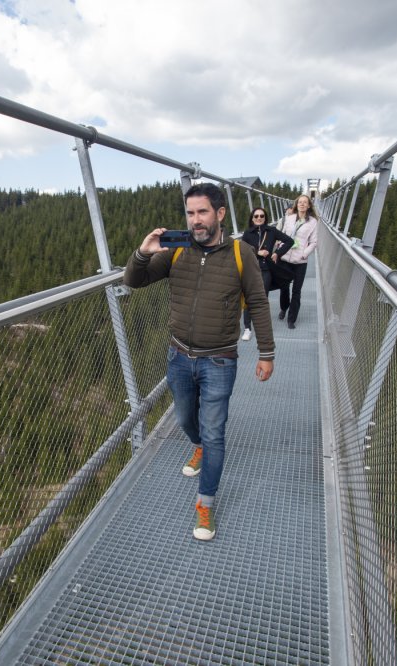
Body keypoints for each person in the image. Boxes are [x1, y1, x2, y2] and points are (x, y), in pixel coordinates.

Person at [124, 183, 275, 541]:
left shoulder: (241, 253)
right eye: (190, 213)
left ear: (220, 214)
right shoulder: (177, 251)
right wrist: (143, 253)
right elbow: (134, 280)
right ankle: (199, 447)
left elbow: (257, 302)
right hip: (178, 355)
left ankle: (205, 503)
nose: (195, 221)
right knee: (183, 418)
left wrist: (267, 353)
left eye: (202, 212)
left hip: (219, 361)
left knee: (214, 431)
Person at [239, 207, 293, 341]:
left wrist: (277, 253)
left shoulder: (271, 231)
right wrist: (257, 252)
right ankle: (247, 328)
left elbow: (289, 241)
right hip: (250, 270)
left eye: (261, 216)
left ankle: (262, 327)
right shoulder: (247, 233)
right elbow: (242, 251)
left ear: (265, 218)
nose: (259, 218)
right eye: (256, 216)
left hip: (266, 269)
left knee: (262, 299)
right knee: (248, 299)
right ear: (252, 218)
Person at [276, 194, 319, 329]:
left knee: (296, 291)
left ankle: (291, 319)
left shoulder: (313, 222)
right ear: (296, 204)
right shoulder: (289, 219)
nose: (302, 204)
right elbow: (281, 233)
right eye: (300, 202)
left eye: (305, 202)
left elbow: (313, 242)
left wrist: (304, 254)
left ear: (308, 206)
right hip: (285, 257)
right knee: (284, 287)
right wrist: (279, 246)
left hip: (300, 261)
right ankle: (284, 307)